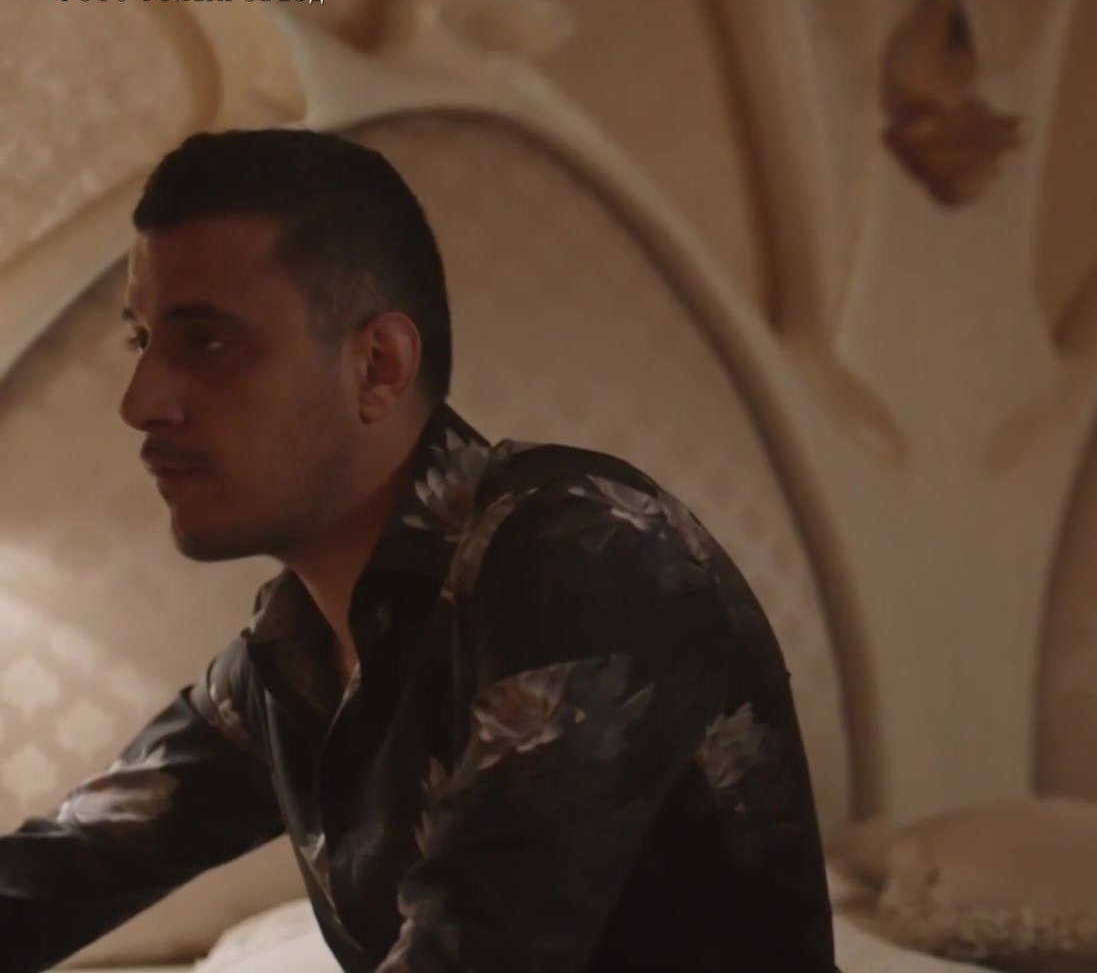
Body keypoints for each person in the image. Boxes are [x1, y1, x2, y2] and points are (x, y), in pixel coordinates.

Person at [0, 130, 839, 971]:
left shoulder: (586, 555)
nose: (141, 401)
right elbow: (60, 868)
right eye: (141, 341)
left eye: (206, 343)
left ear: (378, 366)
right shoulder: (291, 654)